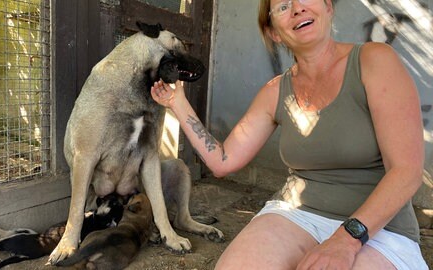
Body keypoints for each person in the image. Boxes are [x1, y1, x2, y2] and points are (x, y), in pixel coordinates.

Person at [151, 0, 428, 269]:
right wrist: (178, 103)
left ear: (328, 7)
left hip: (379, 229)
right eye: (283, 6)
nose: (297, 8)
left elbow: (406, 172)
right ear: (274, 32)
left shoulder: (374, 60)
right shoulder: (275, 91)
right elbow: (223, 160)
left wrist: (345, 240)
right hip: (297, 215)